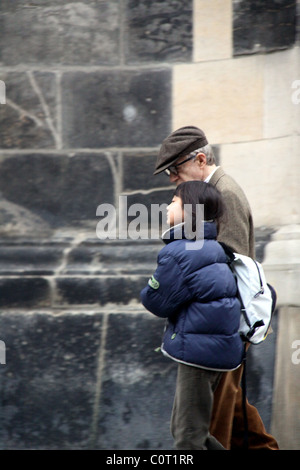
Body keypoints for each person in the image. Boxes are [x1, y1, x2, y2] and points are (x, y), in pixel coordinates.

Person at [153, 126, 279, 450]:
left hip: (223, 330)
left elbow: (233, 270)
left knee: (211, 424)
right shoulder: (213, 192)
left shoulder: (225, 193)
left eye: (173, 169)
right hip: (218, 329)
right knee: (237, 420)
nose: (171, 179)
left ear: (198, 159)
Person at [141, 181, 244, 450]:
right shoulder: (213, 248)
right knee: (189, 430)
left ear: (190, 211)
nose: (167, 207)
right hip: (215, 351)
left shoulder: (180, 252)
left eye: (174, 201)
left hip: (199, 353)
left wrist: (150, 288)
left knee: (188, 437)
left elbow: (156, 301)